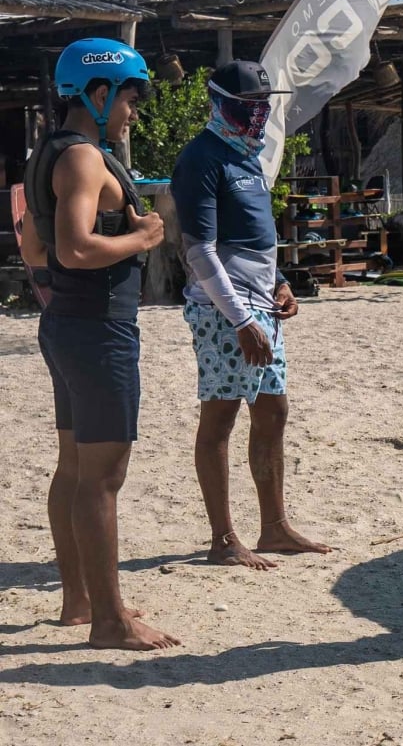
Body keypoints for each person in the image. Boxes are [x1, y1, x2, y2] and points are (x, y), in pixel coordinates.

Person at [19, 37, 179, 650]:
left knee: (74, 469)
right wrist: (144, 240)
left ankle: (79, 602)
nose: (132, 112)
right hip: (98, 332)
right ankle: (110, 623)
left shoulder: (46, 155)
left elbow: (36, 253)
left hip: (66, 326)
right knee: (103, 479)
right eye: (130, 98)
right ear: (100, 91)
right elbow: (73, 249)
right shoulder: (85, 159)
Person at [171, 60, 331, 570]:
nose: (258, 114)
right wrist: (240, 320)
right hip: (224, 312)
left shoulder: (248, 156)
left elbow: (258, 240)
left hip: (262, 306)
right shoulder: (202, 157)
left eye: (264, 105)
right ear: (220, 104)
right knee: (220, 416)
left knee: (272, 411)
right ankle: (223, 538)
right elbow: (199, 250)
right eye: (248, 106)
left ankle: (275, 527)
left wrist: (281, 283)